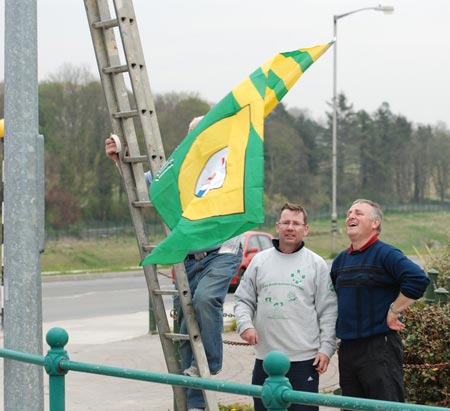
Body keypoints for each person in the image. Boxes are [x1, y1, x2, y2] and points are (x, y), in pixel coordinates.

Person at [105, 117, 242, 411]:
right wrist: (119, 159)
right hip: (189, 257)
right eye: (194, 136)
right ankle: (194, 404)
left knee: (205, 300)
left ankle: (212, 363)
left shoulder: (226, 163)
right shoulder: (177, 166)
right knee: (184, 326)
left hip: (222, 250)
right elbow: (142, 189)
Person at [234, 203, 337, 411]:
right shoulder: (259, 261)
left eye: (296, 223)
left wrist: (327, 348)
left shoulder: (316, 264)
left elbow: (328, 310)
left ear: (305, 229)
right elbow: (243, 300)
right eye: (286, 222)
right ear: (277, 226)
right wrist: (245, 325)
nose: (290, 227)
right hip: (265, 360)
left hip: (304, 361)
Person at [330, 199, 430, 404]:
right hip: (348, 349)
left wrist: (394, 310)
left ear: (375, 223)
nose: (351, 216)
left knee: (385, 407)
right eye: (349, 213)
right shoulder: (340, 261)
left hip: (379, 347)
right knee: (351, 407)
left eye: (358, 213)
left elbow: (418, 279)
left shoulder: (386, 254)